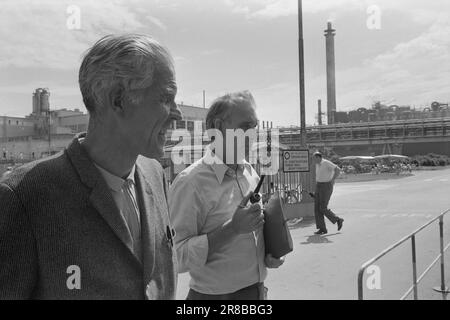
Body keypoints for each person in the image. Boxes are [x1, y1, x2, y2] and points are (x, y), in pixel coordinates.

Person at [0, 34, 182, 299]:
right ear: (118, 99)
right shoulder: (24, 197)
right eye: (167, 98)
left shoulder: (156, 175)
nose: (177, 113)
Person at [169, 91, 284, 300]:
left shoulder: (249, 172)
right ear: (218, 126)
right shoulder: (191, 183)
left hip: (256, 292)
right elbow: (174, 256)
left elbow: (250, 233)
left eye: (254, 126)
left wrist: (266, 253)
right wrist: (232, 229)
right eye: (245, 126)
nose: (253, 134)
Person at [313, 151, 344, 235]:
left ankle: (338, 219)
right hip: (318, 186)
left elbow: (337, 169)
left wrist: (333, 179)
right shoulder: (317, 164)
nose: (313, 160)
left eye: (314, 158)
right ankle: (322, 228)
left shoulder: (326, 163)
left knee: (323, 207)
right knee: (317, 208)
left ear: (319, 157)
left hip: (326, 186)